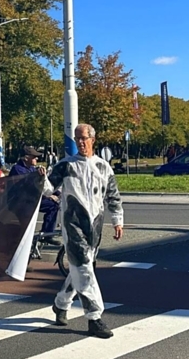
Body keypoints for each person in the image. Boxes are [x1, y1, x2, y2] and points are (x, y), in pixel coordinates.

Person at [40, 124, 123, 339]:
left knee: (80, 268)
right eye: (77, 138)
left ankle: (60, 303)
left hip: (94, 225)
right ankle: (94, 318)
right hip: (72, 224)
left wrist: (117, 221)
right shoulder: (66, 165)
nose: (80, 142)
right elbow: (49, 189)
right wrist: (41, 178)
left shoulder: (104, 167)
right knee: (85, 269)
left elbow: (113, 196)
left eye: (83, 138)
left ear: (93, 139)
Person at [9, 145, 60, 238]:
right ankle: (45, 235)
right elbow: (30, 187)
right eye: (34, 156)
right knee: (52, 206)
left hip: (30, 200)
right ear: (26, 158)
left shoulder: (31, 168)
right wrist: (47, 196)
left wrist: (55, 192)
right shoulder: (17, 169)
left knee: (54, 206)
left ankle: (46, 234)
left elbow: (40, 184)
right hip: (21, 203)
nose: (37, 158)